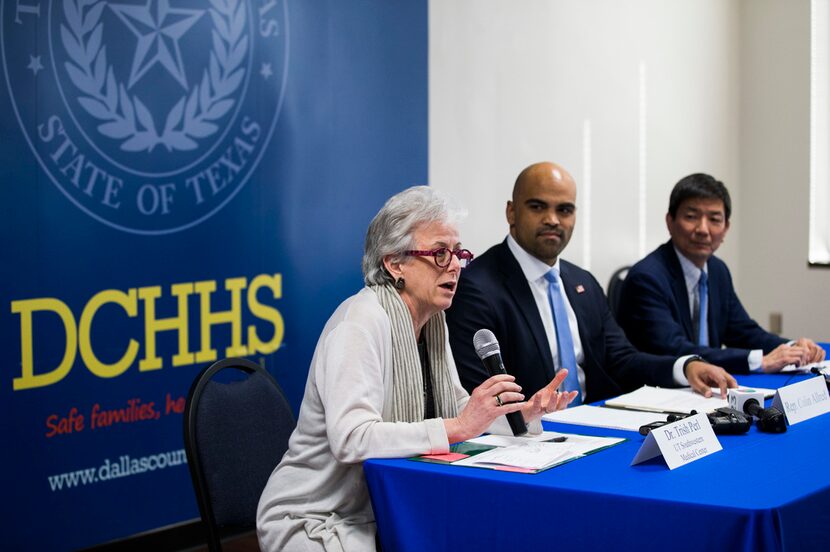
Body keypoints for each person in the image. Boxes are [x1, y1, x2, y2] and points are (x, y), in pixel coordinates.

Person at [257, 186, 576, 551]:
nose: (455, 265)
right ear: (394, 264)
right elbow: (351, 438)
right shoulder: (359, 324)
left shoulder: (433, 323)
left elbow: (458, 411)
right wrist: (456, 427)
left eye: (458, 254)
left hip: (390, 507)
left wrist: (521, 413)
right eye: (440, 253)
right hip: (317, 517)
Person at [446, 162, 736, 405]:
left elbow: (622, 360)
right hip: (529, 440)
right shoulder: (477, 287)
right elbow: (481, 394)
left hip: (595, 429)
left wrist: (685, 367)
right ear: (511, 212)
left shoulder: (582, 283)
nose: (552, 220)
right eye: (537, 207)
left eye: (564, 210)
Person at [617, 173, 825, 373]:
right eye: (691, 217)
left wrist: (792, 348)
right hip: (657, 394)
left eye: (714, 219)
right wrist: (759, 361)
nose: (703, 229)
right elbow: (675, 349)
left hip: (707, 390)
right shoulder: (647, 277)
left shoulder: (717, 270)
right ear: (670, 222)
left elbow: (743, 331)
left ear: (726, 228)